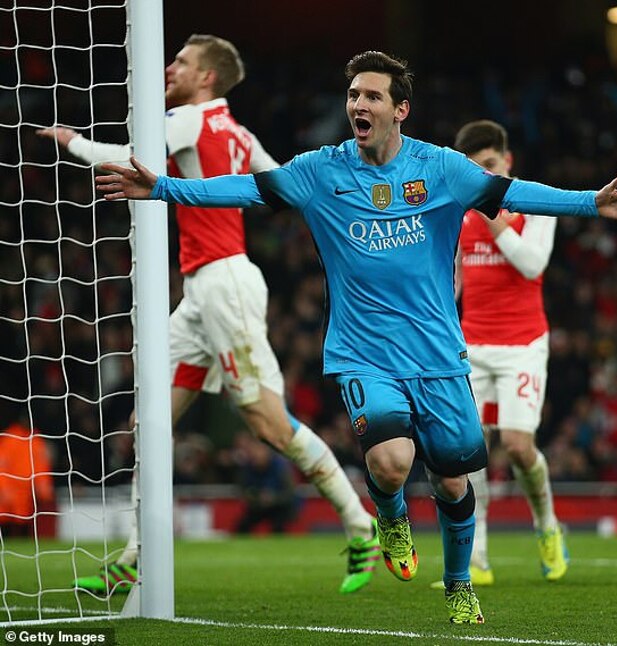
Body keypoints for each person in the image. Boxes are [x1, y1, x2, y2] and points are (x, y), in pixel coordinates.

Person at [94, 51, 617, 624]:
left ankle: (459, 583)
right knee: (391, 462)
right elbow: (245, 188)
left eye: (371, 96)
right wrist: (162, 188)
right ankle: (390, 516)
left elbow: (511, 192)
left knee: (452, 481)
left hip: (438, 356)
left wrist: (592, 203)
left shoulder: (441, 168)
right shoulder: (321, 171)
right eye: (353, 95)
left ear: (400, 109)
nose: (358, 105)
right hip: (364, 354)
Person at [37, 34, 379, 596]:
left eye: (182, 62)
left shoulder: (190, 119)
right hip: (201, 294)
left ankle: (359, 522)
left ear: (208, 78)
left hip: (225, 287)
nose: (170, 68)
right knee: (148, 421)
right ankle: (135, 556)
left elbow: (130, 158)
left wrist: (72, 140)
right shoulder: (239, 134)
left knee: (268, 423)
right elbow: (286, 187)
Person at [429, 119, 566, 590]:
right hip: (474, 347)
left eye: (489, 166)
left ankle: (547, 524)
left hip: (523, 345)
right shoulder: (458, 211)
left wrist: (491, 213)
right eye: (474, 170)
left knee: (518, 446)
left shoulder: (535, 203)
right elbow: (453, 277)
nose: (482, 177)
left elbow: (532, 263)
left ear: (507, 161)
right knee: (469, 450)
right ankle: (477, 559)